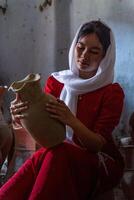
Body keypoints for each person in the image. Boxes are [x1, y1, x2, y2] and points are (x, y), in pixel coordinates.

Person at [0, 20, 125, 200]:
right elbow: (44, 137)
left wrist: (71, 120)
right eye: (80, 48)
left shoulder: (111, 92)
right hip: (58, 154)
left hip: (100, 161)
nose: (84, 56)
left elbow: (97, 145)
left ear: (105, 56)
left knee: (57, 153)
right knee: (45, 157)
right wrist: (21, 117)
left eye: (94, 51)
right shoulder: (57, 82)